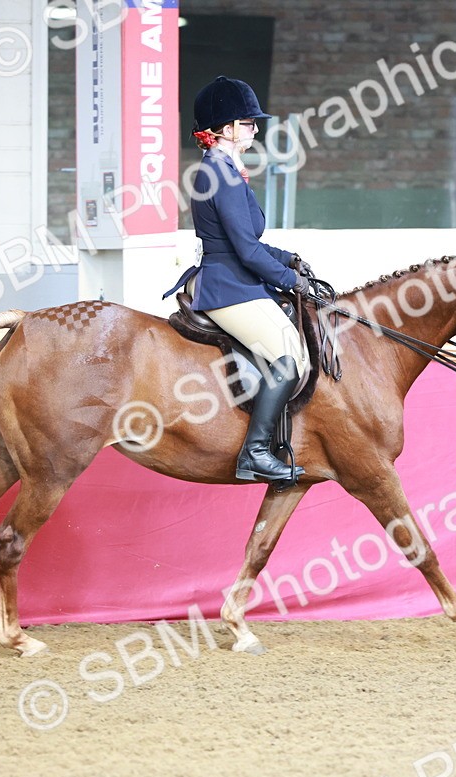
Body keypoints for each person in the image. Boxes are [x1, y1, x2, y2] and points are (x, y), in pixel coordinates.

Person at [165, 75, 311, 483]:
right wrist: (289, 280)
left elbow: (245, 239)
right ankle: (256, 452)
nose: (256, 129)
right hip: (227, 284)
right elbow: (244, 251)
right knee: (288, 355)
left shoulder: (224, 168)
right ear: (225, 129)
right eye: (248, 123)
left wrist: (290, 260)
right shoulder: (220, 172)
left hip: (234, 274)